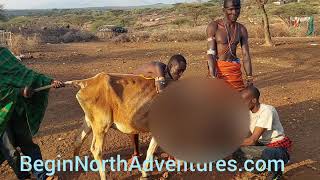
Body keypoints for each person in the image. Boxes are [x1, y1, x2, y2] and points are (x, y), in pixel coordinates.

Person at [0, 47, 64, 180]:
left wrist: (49, 81)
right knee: (10, 152)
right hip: (1, 117)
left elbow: (23, 73)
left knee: (27, 144)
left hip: (16, 109)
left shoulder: (3, 54)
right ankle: (24, 176)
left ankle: (42, 175)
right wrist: (18, 92)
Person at [130, 54, 187, 160]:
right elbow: (162, 93)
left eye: (183, 71)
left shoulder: (171, 76)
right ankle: (136, 153)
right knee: (134, 121)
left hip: (145, 91)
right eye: (178, 70)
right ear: (170, 67)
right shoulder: (158, 68)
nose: (180, 74)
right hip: (131, 88)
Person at [238, 86, 292, 179]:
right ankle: (261, 166)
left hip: (275, 146)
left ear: (254, 101)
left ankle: (276, 171)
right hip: (261, 145)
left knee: (268, 153)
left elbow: (252, 140)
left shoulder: (267, 111)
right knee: (237, 152)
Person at [206, 0, 253, 91]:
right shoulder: (214, 26)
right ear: (224, 10)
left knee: (238, 99)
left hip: (234, 71)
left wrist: (249, 77)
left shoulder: (241, 29)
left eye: (237, 9)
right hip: (218, 70)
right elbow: (211, 53)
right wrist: (213, 76)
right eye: (230, 9)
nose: (234, 12)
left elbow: (246, 54)